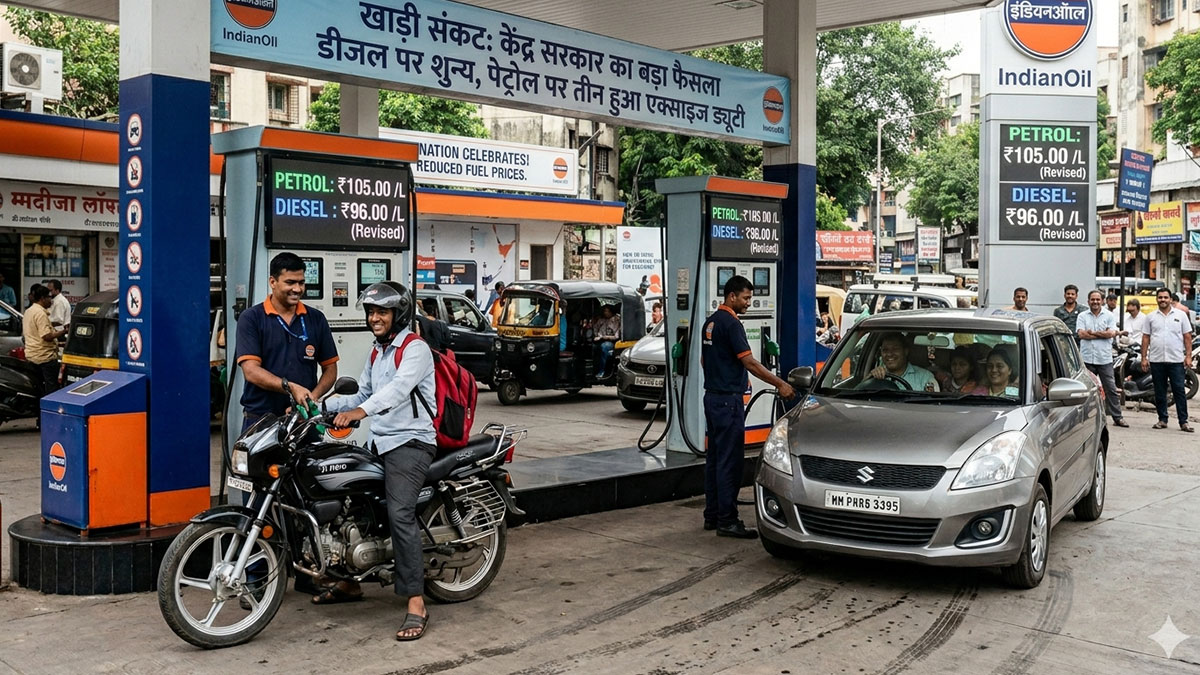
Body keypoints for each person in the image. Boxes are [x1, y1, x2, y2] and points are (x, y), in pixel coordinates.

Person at [323, 281, 435, 641]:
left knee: (399, 513)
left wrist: (359, 411)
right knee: (348, 501)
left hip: (411, 442)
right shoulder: (378, 351)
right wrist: (317, 406)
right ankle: (350, 583)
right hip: (380, 441)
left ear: (398, 314)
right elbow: (365, 391)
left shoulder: (414, 350)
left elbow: (396, 391)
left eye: (381, 312)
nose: (374, 317)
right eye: (371, 312)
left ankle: (416, 602)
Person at [701, 275, 796, 539]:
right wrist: (780, 384)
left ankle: (712, 514)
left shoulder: (709, 323)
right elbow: (751, 363)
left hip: (711, 398)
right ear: (732, 296)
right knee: (729, 462)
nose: (748, 304)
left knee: (715, 459)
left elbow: (703, 360)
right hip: (728, 401)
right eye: (745, 298)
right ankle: (728, 521)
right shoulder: (732, 324)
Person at [234, 252, 339, 431]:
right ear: (272, 282)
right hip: (261, 420)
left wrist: (309, 399)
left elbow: (330, 369)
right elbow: (251, 371)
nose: (297, 289)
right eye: (290, 282)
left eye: (301, 283)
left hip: (303, 421)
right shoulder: (252, 318)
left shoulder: (316, 318)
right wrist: (291, 388)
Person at [1141, 288, 1194, 432]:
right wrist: (1144, 358)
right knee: (1159, 391)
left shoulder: (1181, 315)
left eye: (1165, 297)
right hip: (1157, 360)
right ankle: (1162, 419)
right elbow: (1146, 337)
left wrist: (1188, 356)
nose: (1163, 300)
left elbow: (1187, 336)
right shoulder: (1150, 317)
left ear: (1170, 299)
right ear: (1156, 299)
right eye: (1160, 297)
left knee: (1179, 390)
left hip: (1176, 360)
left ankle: (1184, 421)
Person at [1077, 290, 1128, 427]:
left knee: (1110, 388)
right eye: (1092, 300)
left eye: (1097, 300)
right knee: (1085, 390)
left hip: (1104, 359)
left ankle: (1118, 417)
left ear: (1102, 301)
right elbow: (1081, 334)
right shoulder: (1082, 316)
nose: (1095, 302)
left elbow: (1111, 333)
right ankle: (1083, 419)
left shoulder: (1109, 316)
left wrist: (1092, 333)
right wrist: (1103, 334)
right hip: (1087, 358)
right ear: (1088, 301)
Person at [23, 285, 66, 392]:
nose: (51, 300)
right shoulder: (41, 314)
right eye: (49, 297)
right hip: (45, 358)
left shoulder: (29, 311)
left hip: (32, 356)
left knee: (39, 388)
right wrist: (64, 331)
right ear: (42, 298)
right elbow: (46, 336)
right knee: (51, 388)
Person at [868, 333, 939, 392]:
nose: (889, 354)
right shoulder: (875, 376)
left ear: (905, 351)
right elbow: (859, 395)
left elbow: (934, 405)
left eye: (895, 349)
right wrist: (870, 377)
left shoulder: (925, 377)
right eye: (885, 350)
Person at [592, 304, 620, 377]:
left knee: (605, 347)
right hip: (599, 339)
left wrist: (604, 337)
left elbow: (616, 336)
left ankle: (602, 370)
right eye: (604, 311)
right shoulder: (601, 320)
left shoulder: (616, 320)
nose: (605, 313)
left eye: (607, 311)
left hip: (611, 341)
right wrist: (596, 335)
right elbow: (595, 328)